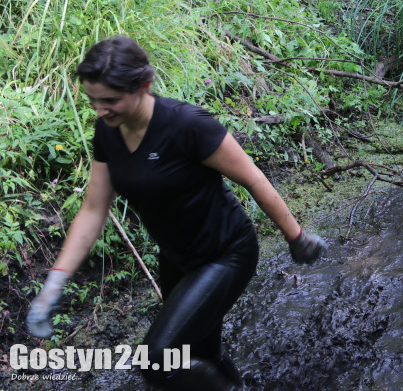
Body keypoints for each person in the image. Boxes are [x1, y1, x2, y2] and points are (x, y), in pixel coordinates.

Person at [26, 36, 326, 390]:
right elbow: (94, 209)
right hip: (176, 260)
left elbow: (254, 180)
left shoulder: (187, 124)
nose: (100, 111)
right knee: (199, 351)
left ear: (143, 86)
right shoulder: (107, 132)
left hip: (226, 254)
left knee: (157, 359)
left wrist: (296, 237)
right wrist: (55, 282)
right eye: (93, 101)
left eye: (110, 101)